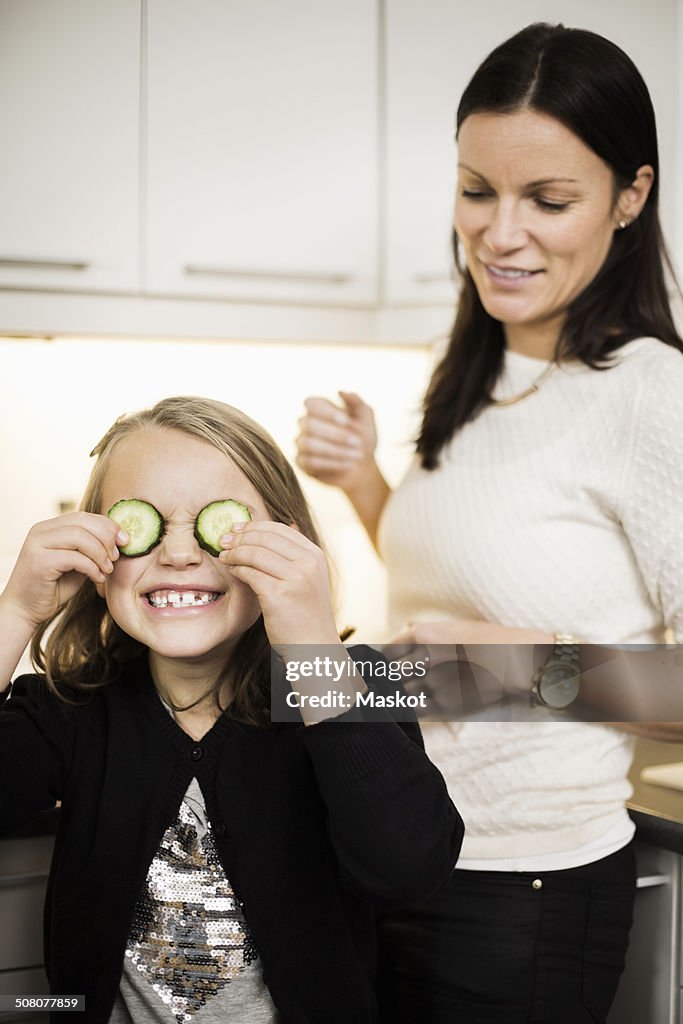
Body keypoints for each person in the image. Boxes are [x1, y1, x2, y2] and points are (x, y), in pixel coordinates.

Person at [295, 21, 683, 1024]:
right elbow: (454, 597)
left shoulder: (652, 396)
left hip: (528, 889)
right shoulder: (468, 363)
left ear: (628, 197)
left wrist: (513, 673)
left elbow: (491, 653)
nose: (498, 233)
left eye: (547, 201)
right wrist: (367, 488)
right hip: (399, 846)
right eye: (475, 190)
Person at [0, 395, 462, 1024]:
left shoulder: (354, 687)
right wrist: (15, 613)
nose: (181, 554)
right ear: (97, 555)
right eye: (143, 526)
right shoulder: (73, 706)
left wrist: (309, 637)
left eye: (219, 522)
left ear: (287, 540)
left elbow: (407, 868)